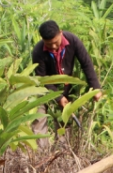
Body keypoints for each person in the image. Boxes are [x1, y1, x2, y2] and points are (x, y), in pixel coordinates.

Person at [31, 20, 103, 148]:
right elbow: (41, 78)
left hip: (66, 86)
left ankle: (62, 153)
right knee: (39, 118)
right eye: (49, 44)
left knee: (65, 120)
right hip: (44, 88)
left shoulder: (73, 40)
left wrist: (96, 88)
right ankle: (40, 154)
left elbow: (86, 63)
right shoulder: (38, 51)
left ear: (61, 33)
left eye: (55, 42)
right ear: (42, 40)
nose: (53, 46)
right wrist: (57, 97)